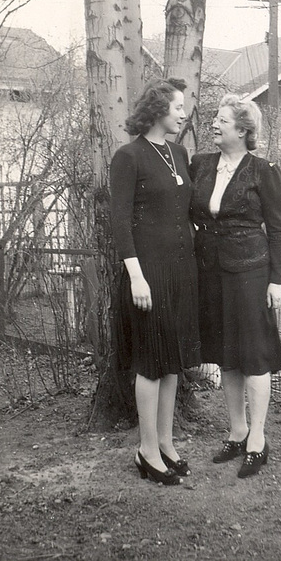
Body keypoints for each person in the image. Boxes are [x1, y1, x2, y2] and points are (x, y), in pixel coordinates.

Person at [110, 77, 201, 486]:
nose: (183, 113)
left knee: (172, 361)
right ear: (158, 110)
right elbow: (120, 222)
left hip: (181, 271)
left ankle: (165, 442)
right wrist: (136, 277)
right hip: (147, 273)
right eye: (178, 107)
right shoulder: (128, 157)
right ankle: (145, 449)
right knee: (150, 361)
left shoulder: (180, 153)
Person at [190, 93, 281, 479]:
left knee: (254, 355)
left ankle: (258, 439)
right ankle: (237, 430)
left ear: (244, 131)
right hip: (210, 270)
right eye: (215, 117)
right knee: (225, 354)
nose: (214, 123)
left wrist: (276, 280)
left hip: (250, 271)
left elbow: (277, 229)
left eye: (223, 120)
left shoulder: (263, 170)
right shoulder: (201, 164)